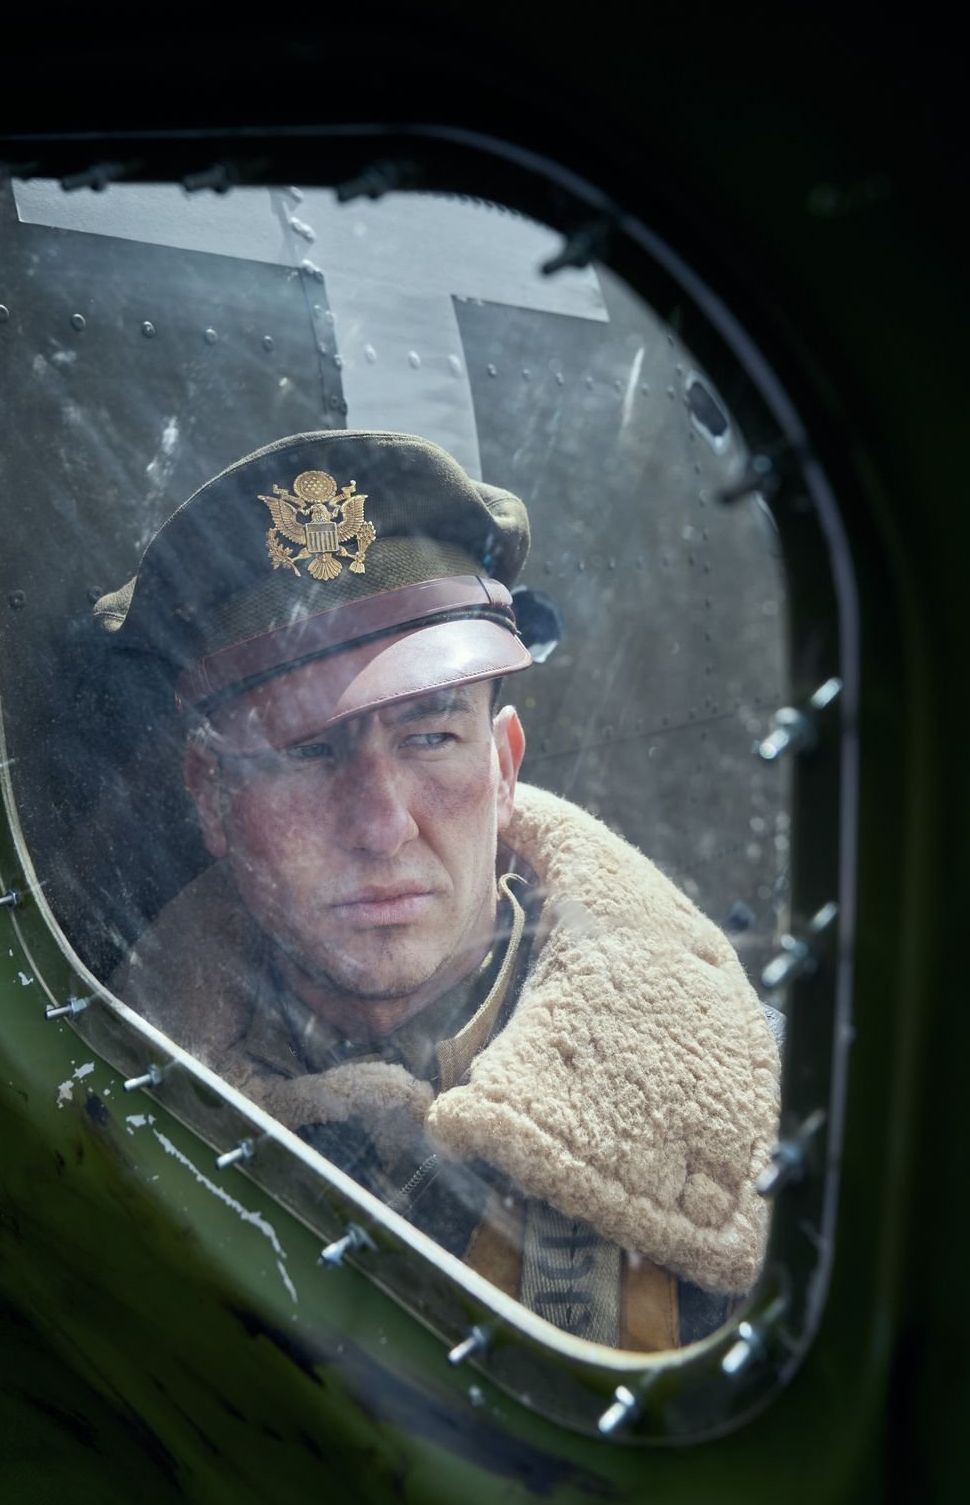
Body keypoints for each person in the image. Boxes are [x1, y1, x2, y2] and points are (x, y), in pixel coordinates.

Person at [101, 430, 781, 1350]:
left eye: (430, 737)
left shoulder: (765, 1127)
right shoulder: (101, 1104)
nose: (382, 825)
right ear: (212, 801)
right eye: (307, 749)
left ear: (504, 768)